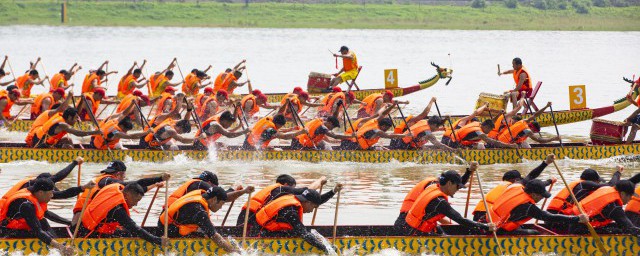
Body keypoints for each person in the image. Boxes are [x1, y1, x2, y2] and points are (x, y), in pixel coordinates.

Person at [71, 161, 168, 225]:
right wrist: (160, 178)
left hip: (84, 219)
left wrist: (154, 185)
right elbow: (134, 184)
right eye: (124, 176)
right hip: (81, 223)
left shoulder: (103, 180)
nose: (124, 179)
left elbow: (136, 191)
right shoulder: (107, 181)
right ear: (118, 174)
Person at [76, 183, 168, 247]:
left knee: (126, 232)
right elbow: (135, 229)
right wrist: (158, 240)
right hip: (89, 235)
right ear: (127, 194)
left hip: (82, 226)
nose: (136, 204)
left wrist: (155, 185)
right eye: (136, 200)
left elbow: (138, 184)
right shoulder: (117, 209)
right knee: (132, 233)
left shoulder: (115, 189)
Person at [255, 186, 343, 254]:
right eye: (313, 207)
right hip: (261, 234)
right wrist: (326, 249)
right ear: (308, 202)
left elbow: (317, 201)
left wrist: (333, 191)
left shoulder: (294, 198)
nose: (312, 210)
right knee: (305, 233)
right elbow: (304, 234)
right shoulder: (290, 211)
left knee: (308, 232)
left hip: (264, 230)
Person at [0, 179, 75, 255]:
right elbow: (37, 231)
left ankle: (56, 243)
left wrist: (69, 222)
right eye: (51, 193)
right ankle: (60, 248)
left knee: (43, 221)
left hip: (18, 228)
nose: (52, 195)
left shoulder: (34, 193)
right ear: (41, 192)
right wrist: (61, 247)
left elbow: (46, 214)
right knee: (41, 227)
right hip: (7, 232)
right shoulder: (26, 205)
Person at [472, 154, 556, 222]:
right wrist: (546, 167)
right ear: (515, 180)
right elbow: (532, 180)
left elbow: (534, 183)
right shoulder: (514, 187)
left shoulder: (503, 185)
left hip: (479, 215)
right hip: (487, 217)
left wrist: (549, 180)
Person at [489, 179, 589, 235]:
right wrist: (577, 219)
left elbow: (532, 180)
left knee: (521, 226)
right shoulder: (527, 207)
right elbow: (549, 217)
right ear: (533, 194)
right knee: (535, 233)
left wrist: (549, 181)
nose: (542, 198)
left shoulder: (517, 187)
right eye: (542, 195)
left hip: (491, 223)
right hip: (498, 231)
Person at [159, 187, 238, 253]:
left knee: (207, 232)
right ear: (214, 199)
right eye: (222, 203)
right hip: (167, 231)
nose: (221, 207)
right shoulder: (199, 211)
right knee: (211, 234)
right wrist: (232, 251)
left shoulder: (200, 196)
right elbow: (215, 237)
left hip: (166, 224)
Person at [395, 163, 474, 229]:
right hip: (406, 222)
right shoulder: (435, 196)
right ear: (449, 183)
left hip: (413, 220)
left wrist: (469, 172)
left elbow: (455, 184)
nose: (457, 190)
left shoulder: (438, 185)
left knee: (444, 227)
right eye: (457, 187)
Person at [236, 175, 328, 230]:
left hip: (243, 221)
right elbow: (309, 192)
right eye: (293, 187)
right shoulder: (282, 189)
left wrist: (333, 192)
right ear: (286, 185)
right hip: (248, 224)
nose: (292, 191)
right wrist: (320, 180)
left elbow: (312, 200)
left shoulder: (273, 190)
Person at [545, 166, 623, 232]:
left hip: (551, 219)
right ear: (593, 181)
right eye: (597, 182)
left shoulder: (579, 185)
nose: (597, 184)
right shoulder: (585, 184)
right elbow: (610, 186)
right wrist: (618, 172)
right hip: (559, 221)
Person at [568, 179, 640, 237]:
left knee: (616, 225)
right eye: (630, 196)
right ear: (623, 194)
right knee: (620, 231)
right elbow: (630, 228)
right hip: (578, 231)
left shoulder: (606, 189)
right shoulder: (614, 206)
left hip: (573, 224)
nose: (631, 199)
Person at [0, 157, 91, 201]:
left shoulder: (38, 184)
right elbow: (62, 194)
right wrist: (82, 188)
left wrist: (74, 163)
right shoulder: (33, 190)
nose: (52, 194)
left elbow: (58, 177)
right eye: (51, 191)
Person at [340, 104, 412, 150]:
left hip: (348, 143)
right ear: (383, 126)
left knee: (379, 148)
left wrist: (392, 105)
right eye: (387, 128)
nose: (386, 130)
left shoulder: (375, 121)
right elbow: (389, 136)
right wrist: (405, 135)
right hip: (351, 146)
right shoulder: (377, 131)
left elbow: (383, 114)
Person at [167, 171, 253, 206]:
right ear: (209, 182)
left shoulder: (194, 183)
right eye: (214, 187)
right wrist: (239, 190)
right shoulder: (202, 184)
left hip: (170, 215)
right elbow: (224, 197)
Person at [496, 102, 560, 148]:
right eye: (534, 132)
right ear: (532, 128)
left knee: (524, 142)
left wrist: (546, 106)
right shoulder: (528, 131)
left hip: (499, 140)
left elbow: (535, 115)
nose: (533, 133)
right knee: (527, 146)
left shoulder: (524, 121)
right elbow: (539, 140)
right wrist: (553, 139)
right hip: (506, 144)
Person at [31, 108, 101, 148]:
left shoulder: (61, 117)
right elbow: (78, 133)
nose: (77, 120)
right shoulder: (63, 125)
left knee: (68, 140)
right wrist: (95, 132)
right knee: (68, 147)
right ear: (70, 117)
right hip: (39, 145)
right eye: (76, 118)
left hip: (40, 140)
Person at [389, 114, 455, 151]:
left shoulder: (424, 121)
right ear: (434, 125)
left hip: (396, 141)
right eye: (437, 127)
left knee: (424, 147)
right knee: (425, 149)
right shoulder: (428, 133)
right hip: (402, 146)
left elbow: (428, 129)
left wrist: (445, 119)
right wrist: (453, 150)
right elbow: (439, 145)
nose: (437, 128)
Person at [242, 114, 306, 150]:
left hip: (248, 143)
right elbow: (285, 137)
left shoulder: (268, 120)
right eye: (280, 126)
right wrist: (300, 132)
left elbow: (276, 131)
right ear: (277, 124)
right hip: (252, 148)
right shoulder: (270, 129)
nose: (280, 128)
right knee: (278, 150)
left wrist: (291, 129)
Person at [442, 118, 517, 149]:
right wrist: (509, 145)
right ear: (486, 127)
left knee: (480, 145)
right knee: (483, 144)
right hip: (453, 144)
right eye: (490, 130)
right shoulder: (479, 132)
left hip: (453, 140)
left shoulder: (478, 123)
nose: (489, 132)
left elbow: (490, 121)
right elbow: (491, 141)